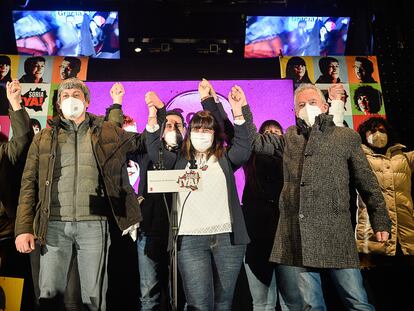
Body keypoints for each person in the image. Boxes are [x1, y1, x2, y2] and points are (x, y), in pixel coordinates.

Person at [248, 83, 391, 310]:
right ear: (295, 111)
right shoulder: (290, 137)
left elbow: (367, 183)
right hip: (302, 236)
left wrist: (380, 219)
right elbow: (255, 142)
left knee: (357, 301)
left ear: (325, 107)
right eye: (302, 105)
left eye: (312, 103)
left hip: (336, 234)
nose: (307, 108)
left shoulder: (345, 137)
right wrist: (240, 111)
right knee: (311, 306)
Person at [14, 78, 147, 310]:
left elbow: (141, 143)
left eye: (76, 94)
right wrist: (23, 228)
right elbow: (28, 185)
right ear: (58, 104)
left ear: (86, 101)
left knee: (94, 299)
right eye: (65, 96)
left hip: (94, 226)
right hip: (53, 225)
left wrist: (156, 117)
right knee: (49, 296)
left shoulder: (105, 131)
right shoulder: (43, 138)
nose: (70, 99)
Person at [145, 84, 251, 310]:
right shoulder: (179, 161)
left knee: (223, 303)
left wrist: (237, 111)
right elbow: (155, 151)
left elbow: (243, 147)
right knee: (198, 304)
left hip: (227, 239)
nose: (201, 135)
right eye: (196, 130)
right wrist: (154, 116)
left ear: (215, 135)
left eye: (207, 130)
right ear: (188, 133)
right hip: (189, 240)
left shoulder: (225, 159)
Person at [355, 116, 414, 310]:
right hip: (374, 235)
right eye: (372, 131)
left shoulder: (403, 156)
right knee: (380, 293)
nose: (377, 134)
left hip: (405, 235)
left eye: (381, 130)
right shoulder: (359, 157)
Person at [242, 119, 284, 311]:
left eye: (277, 131)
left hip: (286, 234)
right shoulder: (251, 155)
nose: (272, 134)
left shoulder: (293, 158)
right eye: (267, 131)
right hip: (257, 233)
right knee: (262, 302)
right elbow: (234, 133)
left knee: (290, 302)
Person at [0, 80, 34, 311]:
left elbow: (23, 139)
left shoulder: (4, 153)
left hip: (5, 237)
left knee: (11, 299)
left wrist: (15, 103)